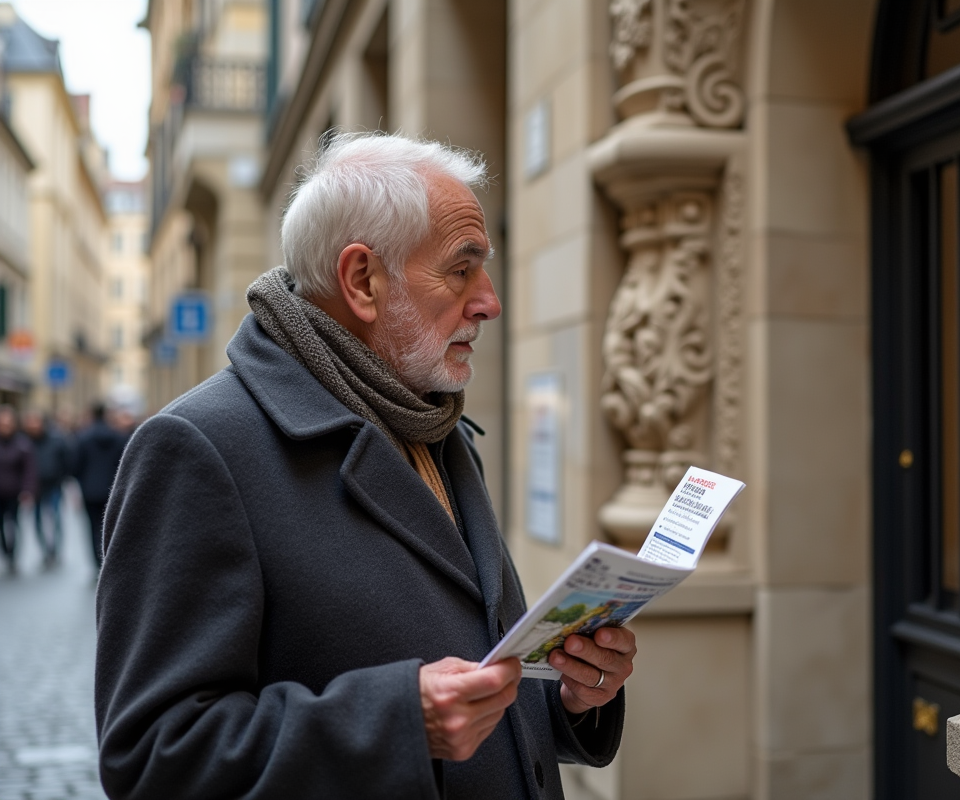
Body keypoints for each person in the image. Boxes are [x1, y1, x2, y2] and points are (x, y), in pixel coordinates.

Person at [94, 133, 636, 800]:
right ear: (362, 280)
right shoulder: (197, 447)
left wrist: (573, 699)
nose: (489, 300)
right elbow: (153, 758)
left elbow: (474, 689)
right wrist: (399, 721)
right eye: (462, 269)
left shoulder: (434, 422)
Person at [73, 403, 129, 568]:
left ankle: (97, 563)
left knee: (92, 527)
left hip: (89, 490)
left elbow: (76, 466)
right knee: (111, 526)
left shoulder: (83, 437)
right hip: (112, 489)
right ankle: (109, 559)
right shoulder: (118, 436)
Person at [23, 410, 72, 568]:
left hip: (53, 485)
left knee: (55, 517)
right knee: (37, 519)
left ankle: (55, 548)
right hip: (35, 487)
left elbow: (66, 460)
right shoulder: (25, 442)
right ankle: (45, 550)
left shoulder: (56, 439)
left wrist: (61, 477)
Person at [0, 404, 35, 574]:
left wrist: (27, 490)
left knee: (13, 524)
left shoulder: (22, 443)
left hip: (14, 493)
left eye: (8, 422)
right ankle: (6, 551)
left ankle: (13, 554)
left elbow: (29, 470)